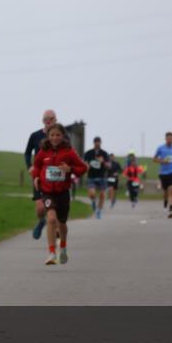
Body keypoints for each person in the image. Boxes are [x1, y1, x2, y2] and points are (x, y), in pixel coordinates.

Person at [31, 123, 88, 265]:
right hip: (47, 192)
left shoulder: (69, 152)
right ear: (48, 136)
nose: (55, 138)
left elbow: (83, 168)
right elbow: (36, 166)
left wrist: (70, 169)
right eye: (52, 135)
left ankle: (63, 247)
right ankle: (51, 253)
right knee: (51, 219)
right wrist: (36, 177)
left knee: (62, 224)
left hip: (63, 192)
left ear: (62, 136)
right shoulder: (43, 151)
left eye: (57, 135)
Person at [25, 109, 58, 239]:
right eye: (46, 119)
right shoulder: (35, 136)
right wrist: (30, 166)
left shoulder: (61, 136)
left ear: (56, 120)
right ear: (42, 121)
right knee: (40, 209)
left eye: (51, 119)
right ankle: (41, 221)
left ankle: (55, 227)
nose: (48, 121)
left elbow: (69, 152)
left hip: (55, 176)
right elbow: (27, 153)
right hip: (39, 175)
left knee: (54, 206)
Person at [82, 136, 111, 219]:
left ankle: (99, 210)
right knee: (92, 194)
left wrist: (103, 162)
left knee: (102, 195)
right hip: (91, 177)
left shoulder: (104, 153)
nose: (97, 143)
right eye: (95, 141)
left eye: (98, 141)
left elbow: (109, 166)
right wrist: (86, 167)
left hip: (102, 177)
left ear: (100, 143)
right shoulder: (88, 153)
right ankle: (93, 201)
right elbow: (83, 164)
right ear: (93, 143)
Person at [154, 131, 172, 218]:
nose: (170, 140)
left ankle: (171, 210)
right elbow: (154, 159)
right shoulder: (160, 148)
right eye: (169, 139)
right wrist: (162, 161)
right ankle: (165, 204)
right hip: (163, 172)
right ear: (165, 139)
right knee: (165, 191)